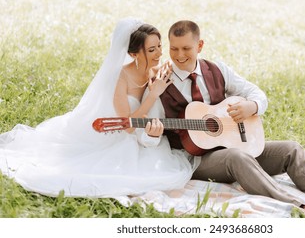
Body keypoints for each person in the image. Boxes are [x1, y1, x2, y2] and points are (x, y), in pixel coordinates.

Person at [137, 20, 305, 217]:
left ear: (199, 45)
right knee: (237, 156)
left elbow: (256, 93)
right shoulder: (160, 82)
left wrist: (250, 106)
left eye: (186, 48)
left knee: (290, 149)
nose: (179, 55)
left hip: (233, 144)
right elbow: (146, 136)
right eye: (174, 48)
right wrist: (151, 134)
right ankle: (295, 205)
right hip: (194, 159)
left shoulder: (217, 69)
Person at [0, 18, 195, 198]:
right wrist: (153, 95)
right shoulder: (121, 78)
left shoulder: (158, 69)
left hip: (144, 133)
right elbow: (127, 126)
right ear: (133, 54)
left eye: (160, 46)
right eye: (152, 50)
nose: (160, 53)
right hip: (115, 135)